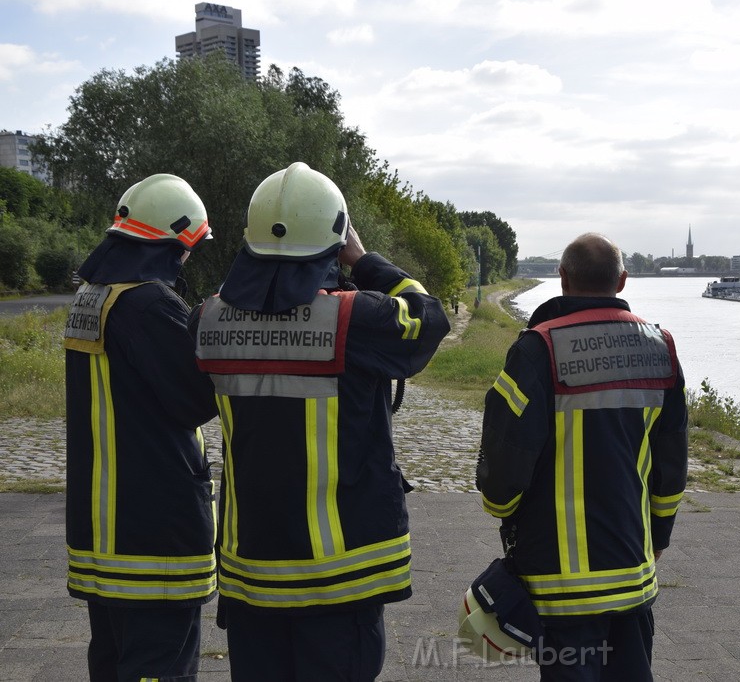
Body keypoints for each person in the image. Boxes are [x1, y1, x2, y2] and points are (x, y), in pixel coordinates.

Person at [192, 162, 450, 680]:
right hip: (340, 578)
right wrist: (365, 260)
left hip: (251, 573)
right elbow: (428, 315)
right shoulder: (356, 318)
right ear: (335, 240)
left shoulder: (208, 318)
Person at [476, 233, 688, 681]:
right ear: (623, 281)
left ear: (563, 277)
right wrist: (660, 535)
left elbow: (506, 456)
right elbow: (671, 464)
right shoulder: (660, 347)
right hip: (633, 570)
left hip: (560, 583)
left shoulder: (538, 348)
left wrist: (502, 513)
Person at [63, 174, 217, 681]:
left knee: (112, 662)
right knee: (159, 665)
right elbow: (196, 399)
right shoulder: (149, 304)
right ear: (176, 240)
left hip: (102, 528)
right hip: (155, 535)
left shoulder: (91, 297)